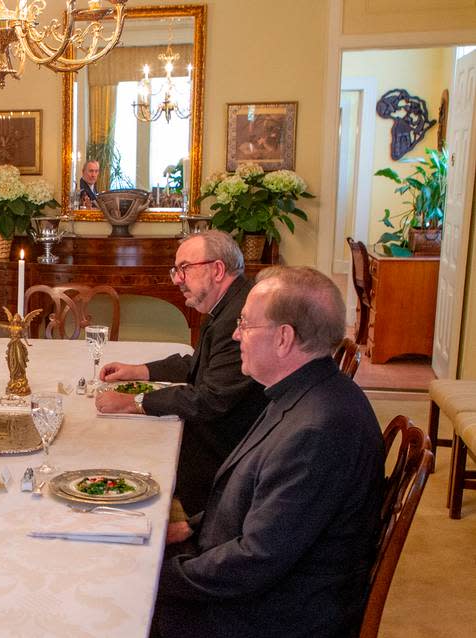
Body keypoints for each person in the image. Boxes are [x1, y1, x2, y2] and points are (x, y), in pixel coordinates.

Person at [151, 266, 385, 638]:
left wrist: (151, 575)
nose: (235, 334)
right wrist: (188, 527)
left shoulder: (320, 430)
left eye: (245, 323)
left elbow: (255, 561)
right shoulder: (301, 390)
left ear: (283, 338)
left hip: (276, 614)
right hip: (261, 582)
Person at [96, 230, 267, 518]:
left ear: (217, 270)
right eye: (176, 270)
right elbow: (198, 366)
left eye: (184, 269)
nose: (176, 279)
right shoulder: (230, 305)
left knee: (118, 461)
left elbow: (209, 399)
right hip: (220, 444)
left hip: (220, 466)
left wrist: (134, 403)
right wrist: (139, 371)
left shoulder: (236, 318)